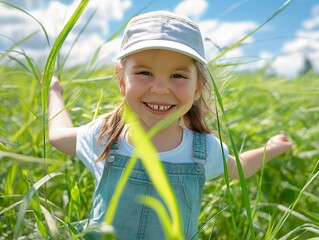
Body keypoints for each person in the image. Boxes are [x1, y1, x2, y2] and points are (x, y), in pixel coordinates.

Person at [48, 11, 292, 240]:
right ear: (122, 80)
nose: (160, 88)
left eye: (178, 76)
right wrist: (55, 93)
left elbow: (240, 169)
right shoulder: (105, 136)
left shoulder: (203, 149)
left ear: (197, 88)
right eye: (144, 73)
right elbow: (58, 135)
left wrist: (272, 148)